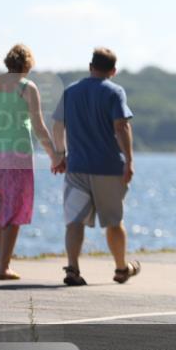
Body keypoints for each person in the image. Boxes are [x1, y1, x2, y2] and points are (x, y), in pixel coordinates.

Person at [0, 44, 63, 280]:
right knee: (15, 206)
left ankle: (2, 261)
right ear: (27, 65)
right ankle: (3, 266)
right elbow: (39, 127)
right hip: (16, 154)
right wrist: (54, 156)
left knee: (3, 203)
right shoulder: (26, 87)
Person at [51, 48, 139, 286]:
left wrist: (60, 155)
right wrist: (129, 160)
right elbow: (121, 126)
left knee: (74, 221)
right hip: (108, 168)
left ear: (90, 66)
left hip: (76, 167)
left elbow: (58, 126)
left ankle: (73, 269)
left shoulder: (70, 92)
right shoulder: (114, 92)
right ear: (113, 70)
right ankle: (121, 269)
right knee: (113, 221)